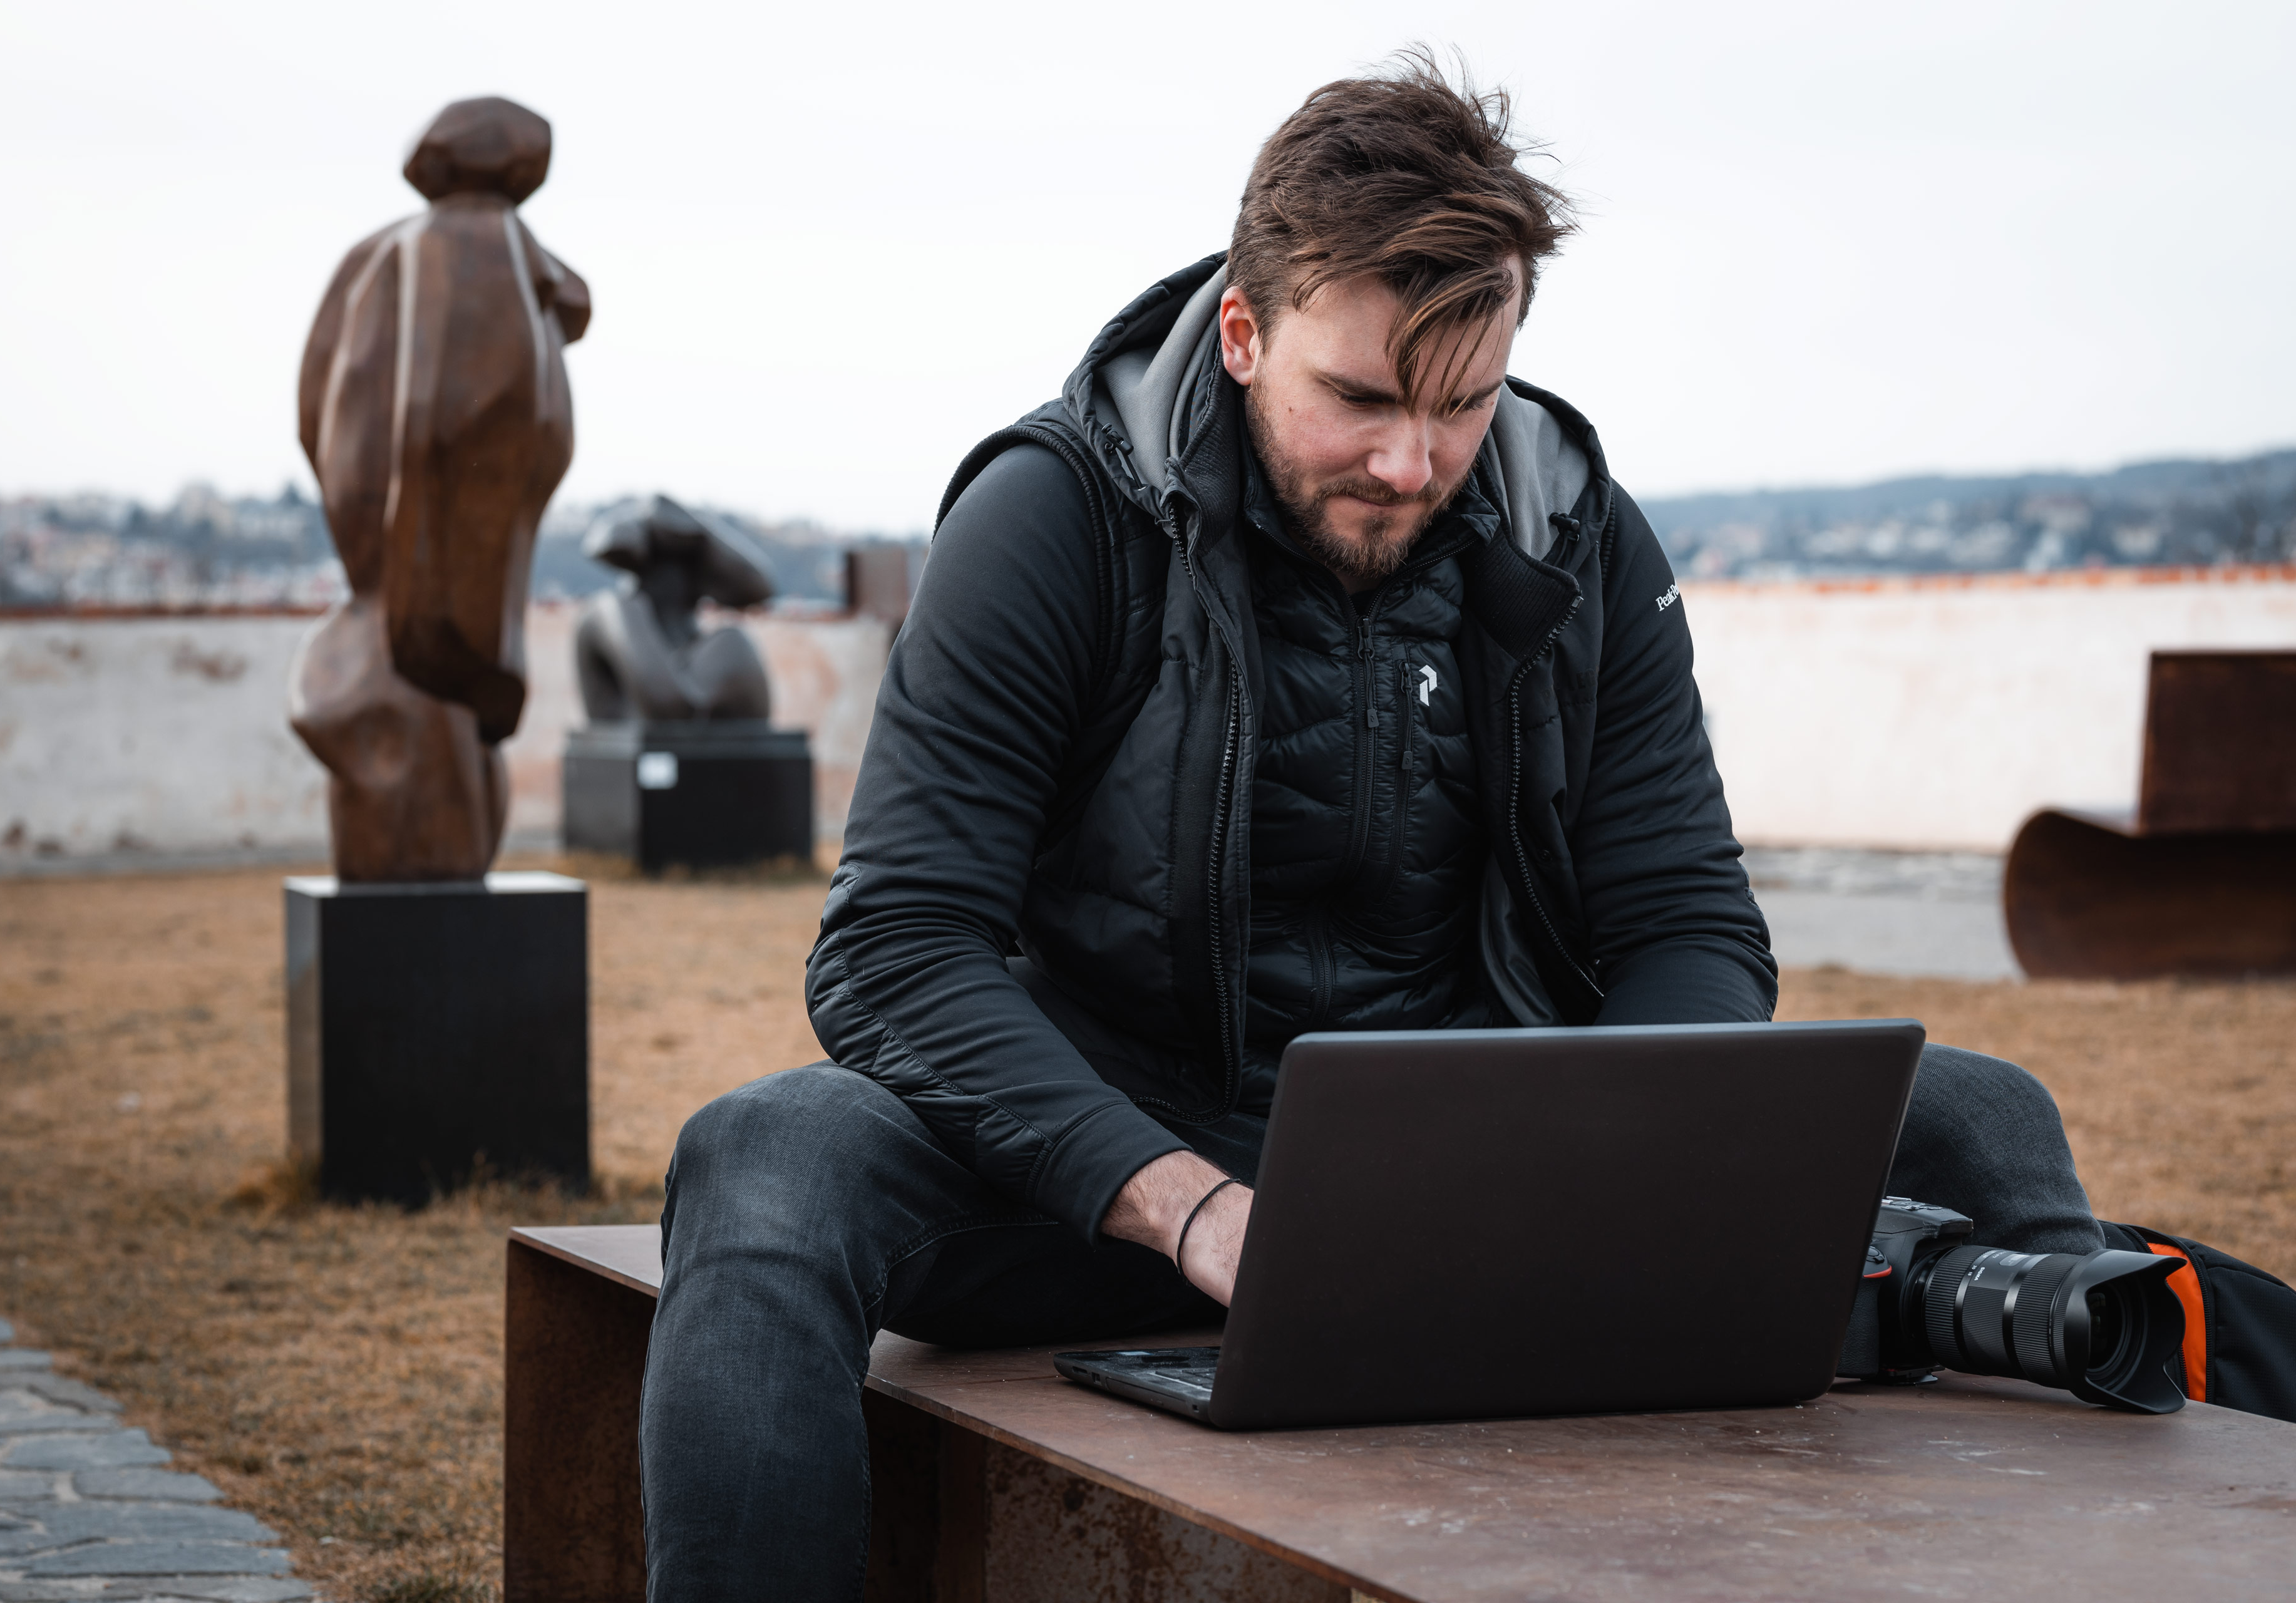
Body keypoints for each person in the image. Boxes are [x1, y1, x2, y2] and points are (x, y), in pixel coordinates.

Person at [637, 56, 2103, 1599]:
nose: (1412, 466)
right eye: (1362, 399)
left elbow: (1683, 918)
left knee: (1974, 1111)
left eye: (1463, 403)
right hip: (1112, 1159)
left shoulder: (1571, 533)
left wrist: (1611, 1163)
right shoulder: (1056, 514)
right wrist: (1190, 1207)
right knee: (768, 1153)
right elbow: (893, 947)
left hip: (1476, 1145)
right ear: (1245, 328)